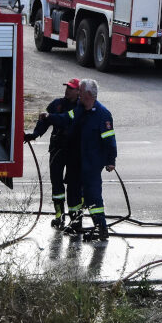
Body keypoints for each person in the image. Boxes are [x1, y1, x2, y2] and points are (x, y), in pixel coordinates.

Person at [43, 78, 117, 241]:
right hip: (76, 162)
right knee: (74, 195)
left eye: (81, 92)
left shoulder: (103, 115)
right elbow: (65, 118)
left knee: (93, 196)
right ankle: (76, 223)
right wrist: (50, 117)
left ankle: (101, 228)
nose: (79, 95)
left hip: (92, 164)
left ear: (89, 95)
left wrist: (111, 160)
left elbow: (110, 141)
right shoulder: (79, 109)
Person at [25, 78, 81, 227]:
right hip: (57, 150)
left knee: (74, 186)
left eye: (71, 88)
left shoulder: (81, 108)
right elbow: (44, 120)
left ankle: (75, 219)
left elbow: (63, 120)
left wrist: (50, 117)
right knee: (56, 184)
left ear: (78, 91)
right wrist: (34, 134)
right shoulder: (57, 104)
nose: (67, 90)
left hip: (75, 152)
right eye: (67, 87)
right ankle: (59, 216)